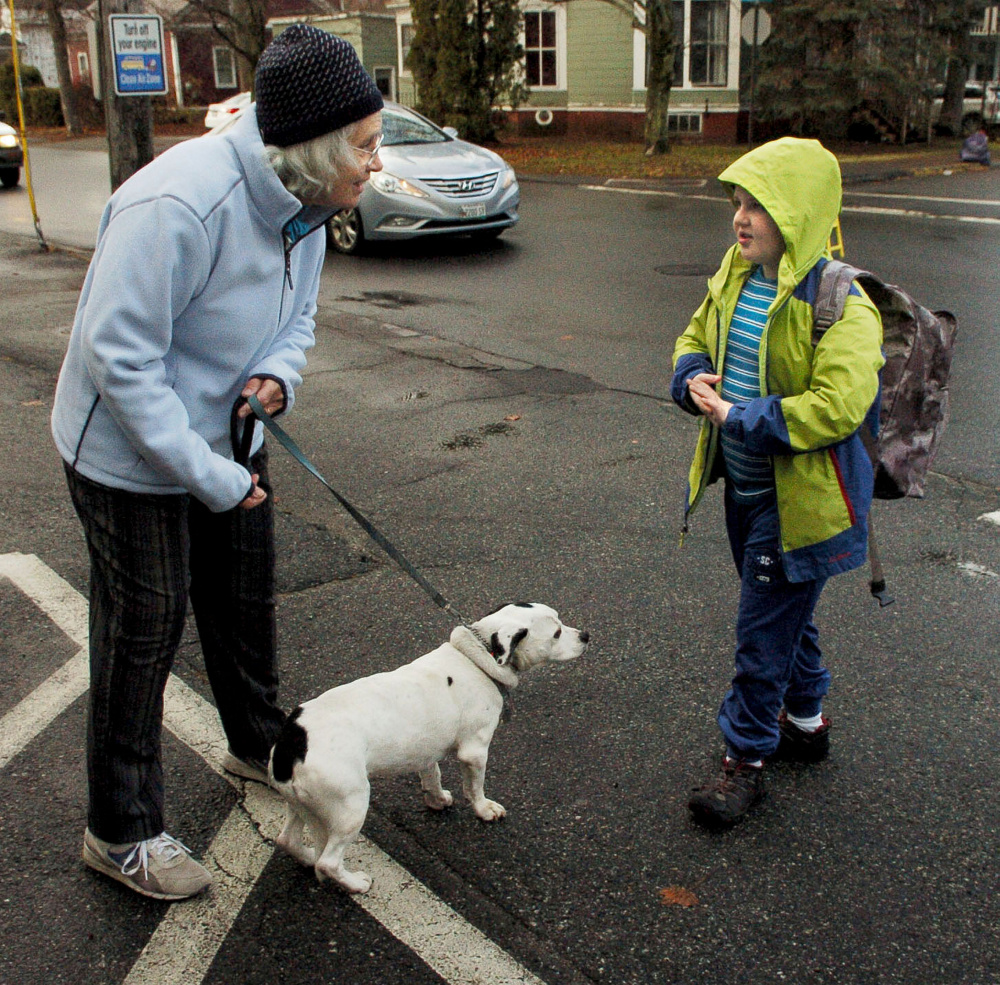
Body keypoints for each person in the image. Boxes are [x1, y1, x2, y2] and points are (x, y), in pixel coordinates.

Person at [50, 24, 384, 900]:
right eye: (366, 145)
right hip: (127, 456)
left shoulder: (309, 205)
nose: (375, 165)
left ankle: (258, 742)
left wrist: (277, 375)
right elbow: (119, 361)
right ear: (313, 150)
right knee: (144, 628)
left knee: (242, 596)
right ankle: (119, 831)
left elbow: (295, 319)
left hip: (227, 435)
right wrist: (211, 476)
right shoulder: (178, 205)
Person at [670, 137, 884, 828]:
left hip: (806, 503)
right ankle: (807, 722)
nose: (742, 217)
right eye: (738, 202)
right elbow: (695, 333)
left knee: (761, 631)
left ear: (796, 211)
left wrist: (742, 414)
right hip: (745, 487)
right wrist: (690, 373)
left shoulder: (845, 303)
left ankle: (745, 762)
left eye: (758, 204)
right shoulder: (736, 270)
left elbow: (837, 405)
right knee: (784, 610)